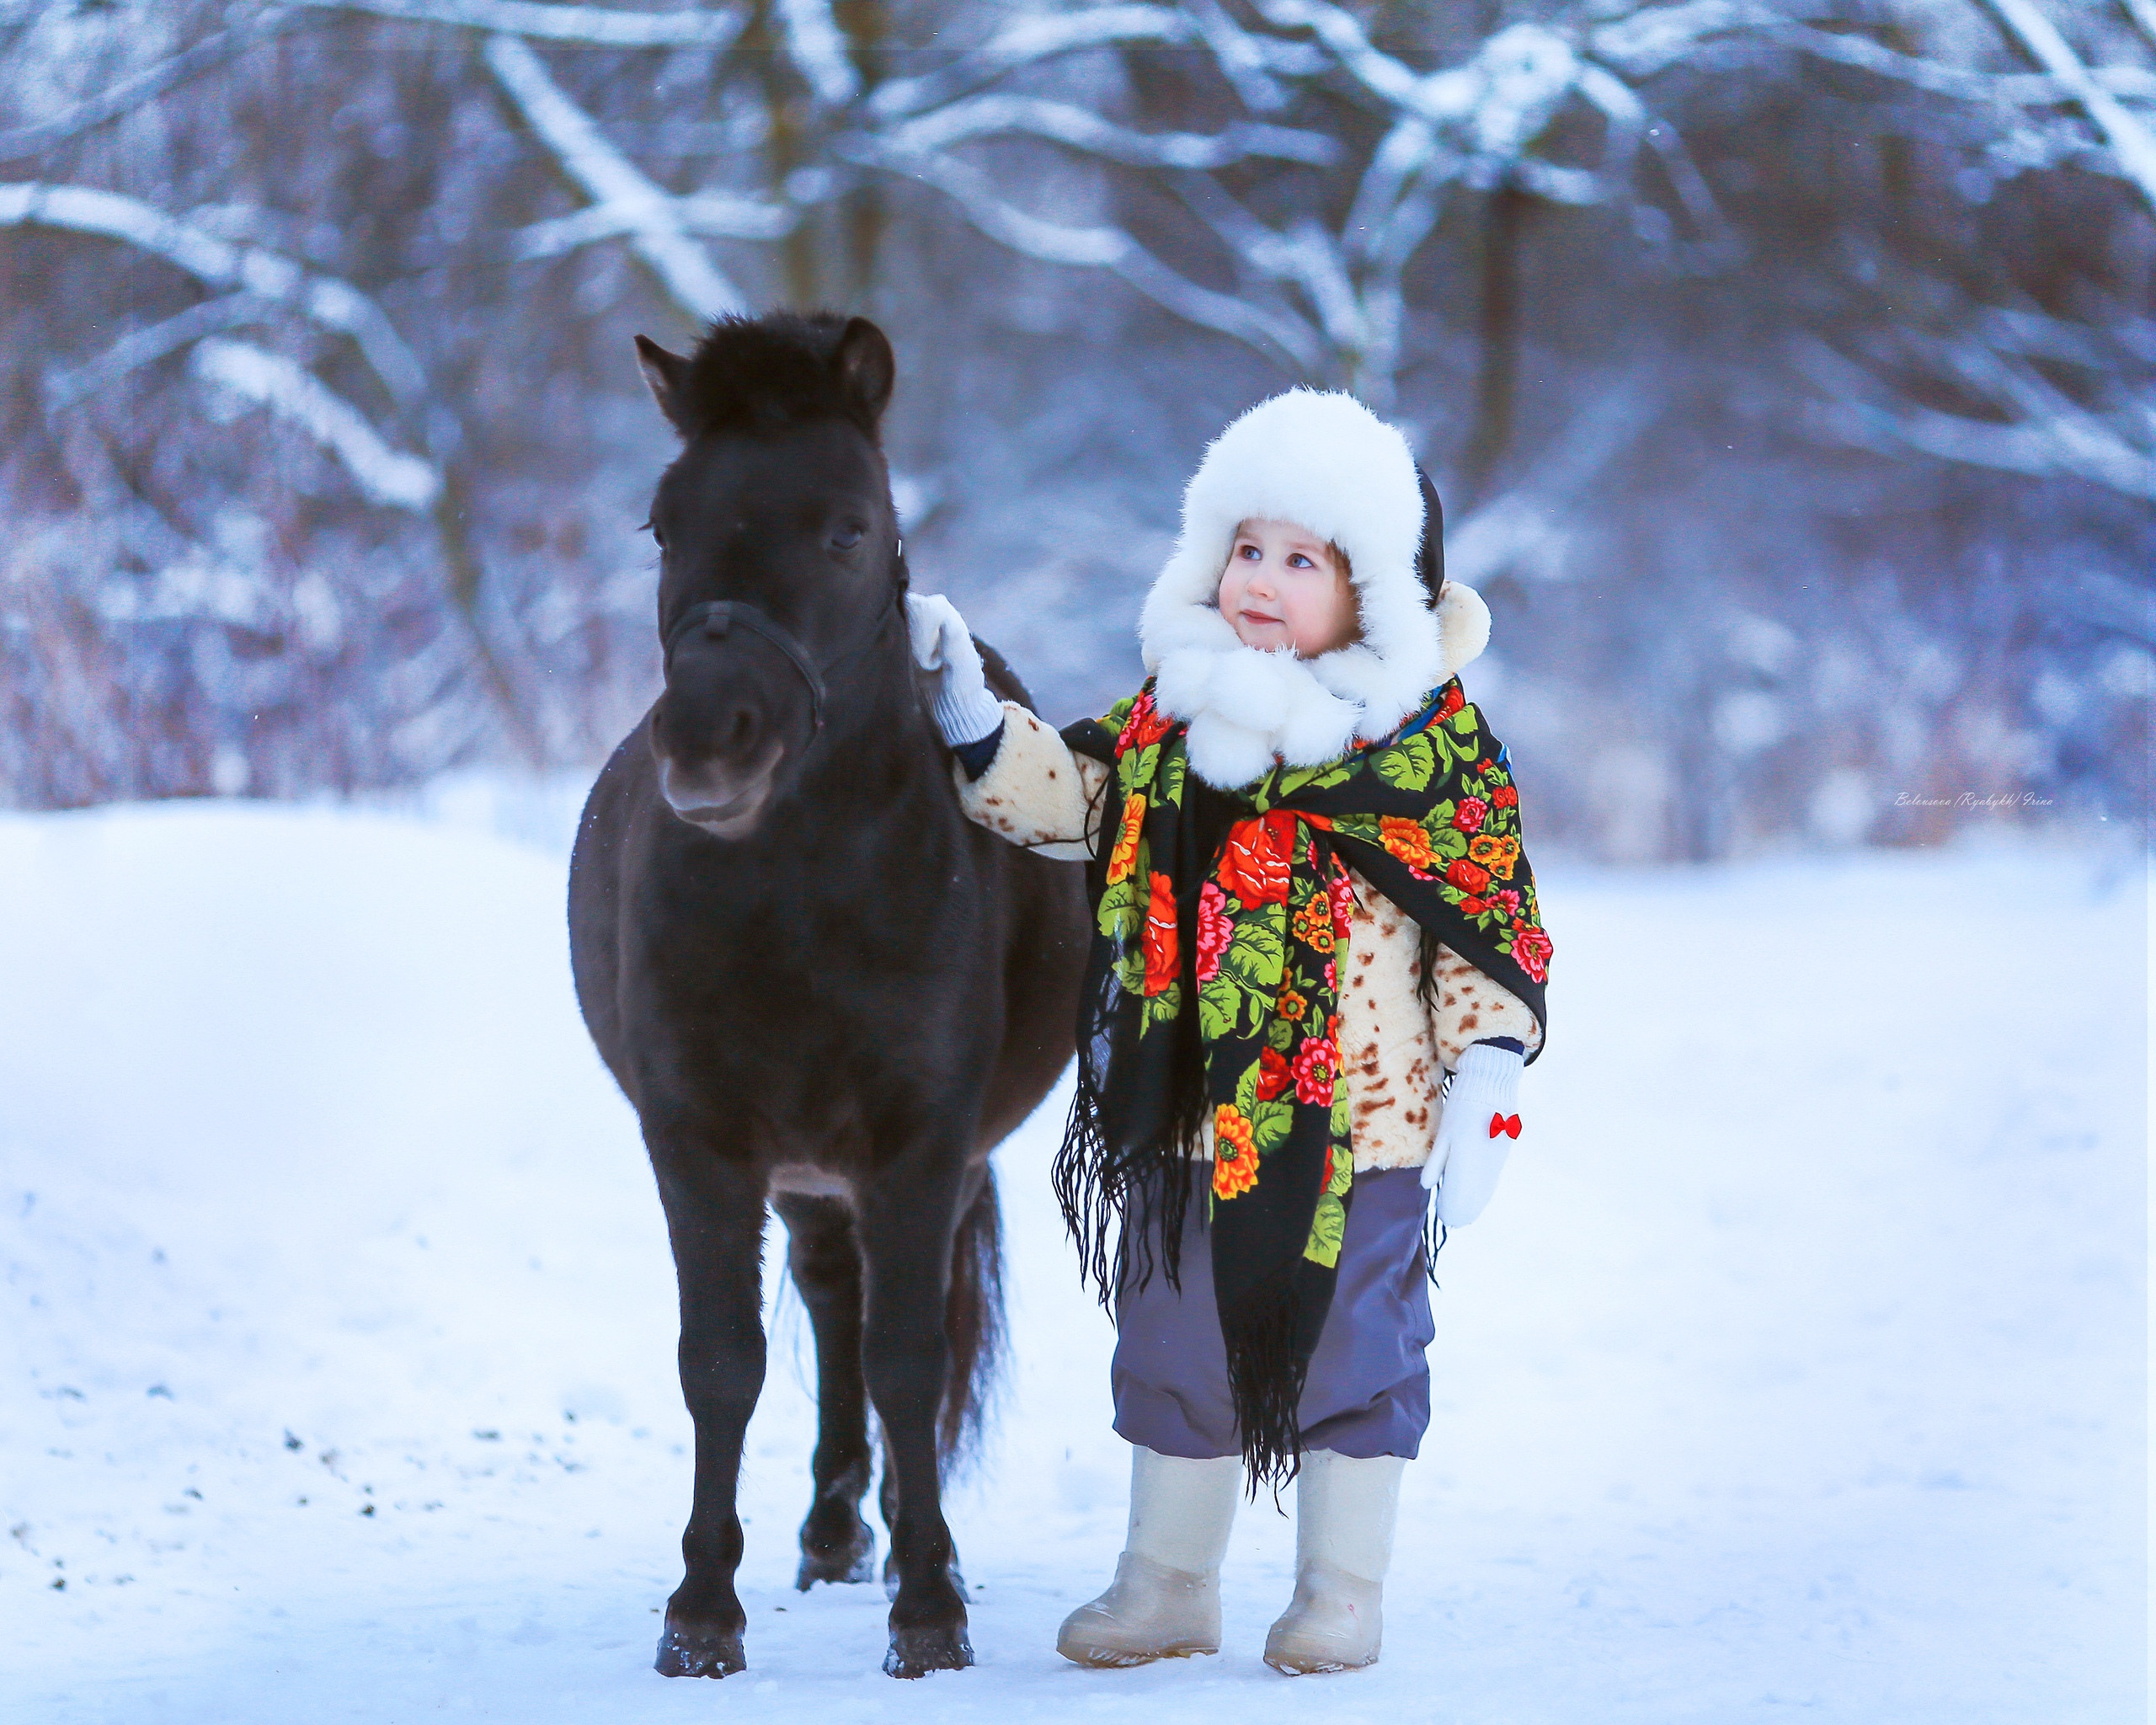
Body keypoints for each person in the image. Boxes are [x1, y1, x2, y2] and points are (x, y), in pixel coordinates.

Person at [904, 387, 1553, 1676]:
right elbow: (1079, 800)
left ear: (1371, 588)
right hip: (1185, 1107)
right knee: (1171, 1334)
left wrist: (1487, 1071)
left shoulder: (1426, 749)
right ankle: (1168, 1582)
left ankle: (1341, 1588)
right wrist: (972, 711)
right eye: (1246, 549)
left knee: (1357, 1346)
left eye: (1301, 559)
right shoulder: (1173, 719)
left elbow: (1484, 915)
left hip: (1360, 1125)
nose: (1262, 579)